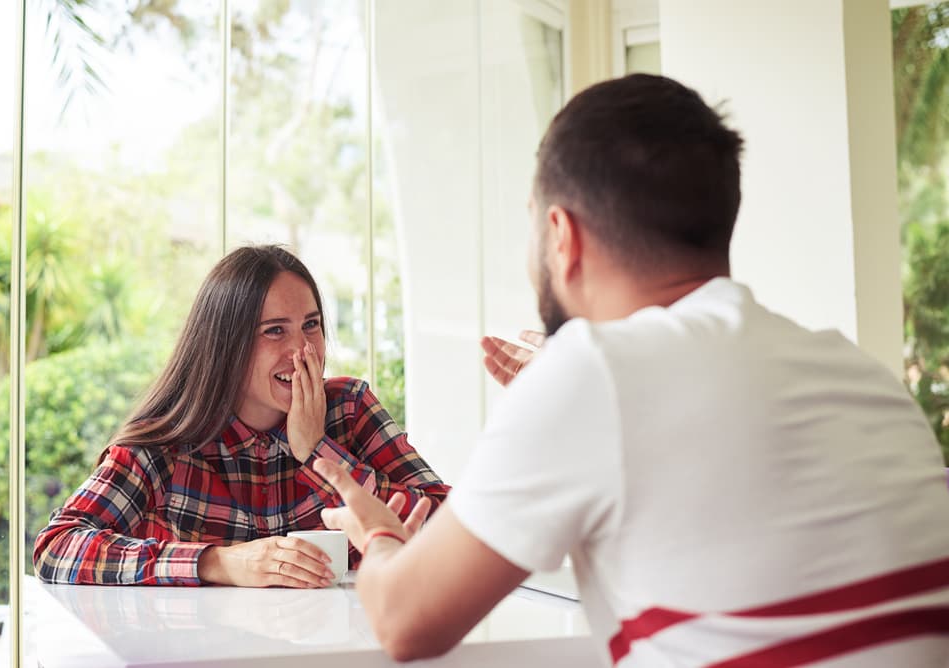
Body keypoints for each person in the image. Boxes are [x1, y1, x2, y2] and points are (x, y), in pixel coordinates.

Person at [310, 74, 949, 666]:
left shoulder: (593, 376)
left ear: (561, 235)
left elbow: (402, 621)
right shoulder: (865, 378)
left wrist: (378, 531)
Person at [33, 245, 449, 588]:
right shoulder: (165, 447)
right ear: (226, 345)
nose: (303, 350)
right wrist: (219, 563)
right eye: (275, 331)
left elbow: (452, 527)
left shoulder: (350, 409)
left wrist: (318, 452)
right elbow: (57, 546)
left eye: (312, 325)